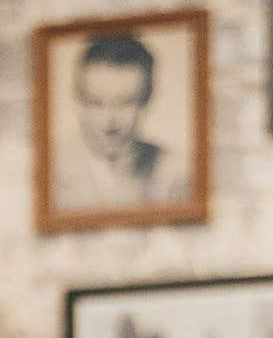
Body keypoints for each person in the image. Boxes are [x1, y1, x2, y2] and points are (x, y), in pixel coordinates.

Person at [58, 31, 185, 211]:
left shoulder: (174, 172)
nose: (109, 122)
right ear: (77, 99)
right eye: (96, 103)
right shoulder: (52, 171)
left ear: (147, 98)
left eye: (125, 103)